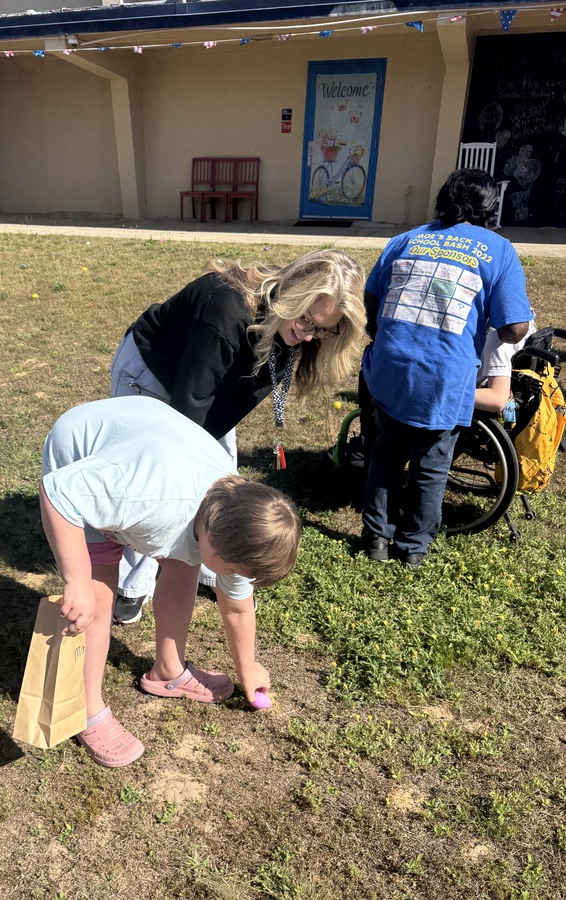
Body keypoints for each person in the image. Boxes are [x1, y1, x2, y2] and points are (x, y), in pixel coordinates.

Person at [38, 397, 302, 768]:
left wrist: (249, 666)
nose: (233, 580)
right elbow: (59, 492)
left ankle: (167, 671)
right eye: (231, 571)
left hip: (145, 443)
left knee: (182, 566)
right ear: (214, 538)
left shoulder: (235, 516)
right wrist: (76, 581)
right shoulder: (155, 498)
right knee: (97, 593)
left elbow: (238, 606)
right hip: (82, 451)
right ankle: (87, 708)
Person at [110, 249, 367, 622]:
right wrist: (190, 474)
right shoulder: (226, 312)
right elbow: (183, 427)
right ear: (291, 291)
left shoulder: (288, 324)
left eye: (322, 329)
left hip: (209, 381)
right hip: (152, 375)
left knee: (219, 474)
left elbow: (224, 403)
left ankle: (212, 563)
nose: (308, 335)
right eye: (305, 319)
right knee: (151, 478)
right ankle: (131, 583)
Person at [360, 168, 532, 567]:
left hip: (388, 369)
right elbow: (513, 329)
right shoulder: (498, 250)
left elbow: (371, 300)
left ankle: (375, 541)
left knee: (385, 455)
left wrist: (383, 334)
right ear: (491, 208)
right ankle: (412, 549)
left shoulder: (406, 239)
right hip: (441, 379)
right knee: (430, 466)